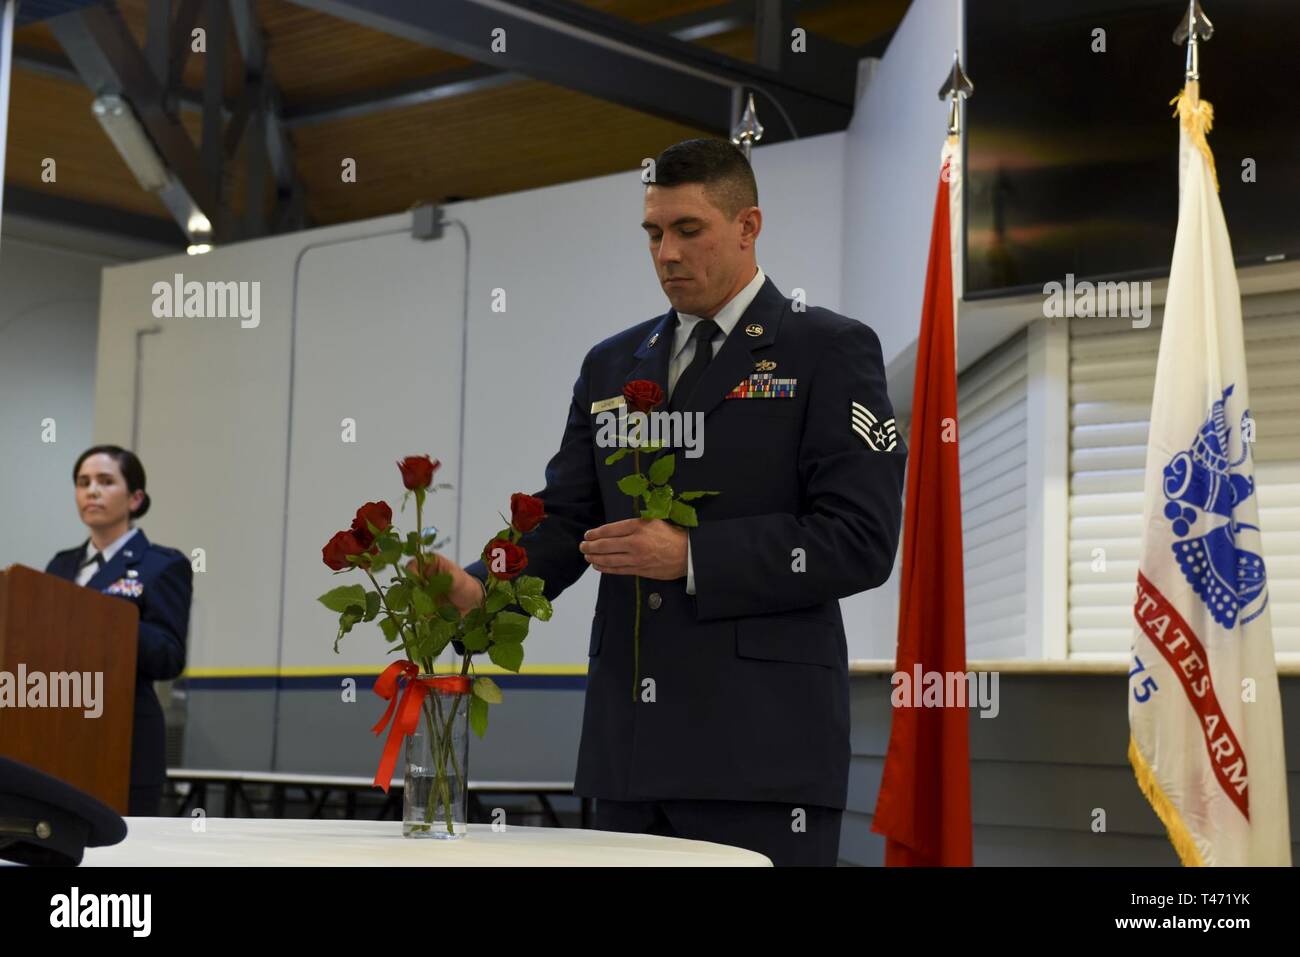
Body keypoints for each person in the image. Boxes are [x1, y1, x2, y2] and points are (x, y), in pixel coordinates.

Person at [431, 138, 906, 865]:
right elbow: (567, 518)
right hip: (630, 752)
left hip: (762, 754)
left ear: (748, 226)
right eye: (654, 233)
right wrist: (483, 589)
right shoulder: (612, 365)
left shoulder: (827, 350)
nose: (666, 254)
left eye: (689, 230)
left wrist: (693, 557)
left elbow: (858, 537)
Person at [45, 446, 193, 817]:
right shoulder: (61, 565)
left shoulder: (162, 565)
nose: (92, 491)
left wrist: (104, 618)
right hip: (55, 731)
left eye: (105, 481)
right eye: (83, 483)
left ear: (135, 497)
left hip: (123, 737)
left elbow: (168, 655)